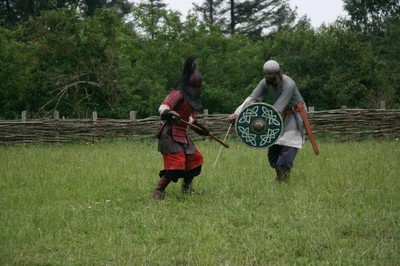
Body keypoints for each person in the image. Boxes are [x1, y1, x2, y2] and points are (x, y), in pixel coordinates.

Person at [228, 60, 306, 182]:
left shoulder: (289, 84)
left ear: (278, 73)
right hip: (278, 116)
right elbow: (252, 99)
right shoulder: (265, 82)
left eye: (272, 75)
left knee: (289, 145)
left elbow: (279, 107)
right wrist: (237, 113)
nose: (269, 77)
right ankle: (280, 176)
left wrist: (268, 118)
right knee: (274, 149)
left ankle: (283, 179)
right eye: (267, 74)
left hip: (294, 115)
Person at [154, 56, 209, 200]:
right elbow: (163, 107)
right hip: (170, 133)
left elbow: (188, 119)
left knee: (195, 161)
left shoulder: (192, 100)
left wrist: (199, 128)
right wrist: (170, 113)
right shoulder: (178, 94)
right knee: (176, 164)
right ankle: (158, 190)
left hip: (182, 134)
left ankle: (186, 189)